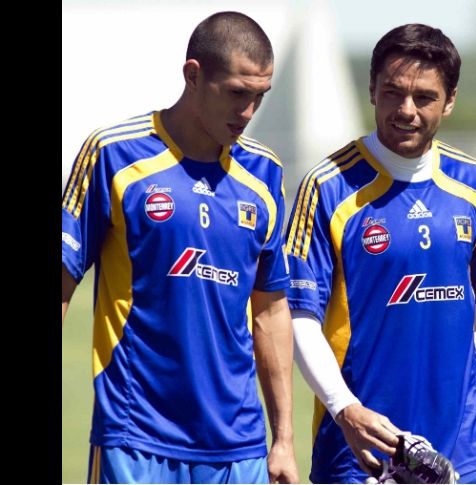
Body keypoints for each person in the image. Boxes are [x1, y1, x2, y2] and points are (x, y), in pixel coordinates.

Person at [61, 11, 299, 484]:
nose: (249, 112)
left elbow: (271, 312)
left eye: (259, 97)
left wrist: (284, 440)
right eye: (236, 93)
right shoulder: (114, 154)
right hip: (136, 437)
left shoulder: (265, 175)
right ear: (193, 75)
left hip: (240, 448)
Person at [285, 23, 476, 484]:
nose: (406, 110)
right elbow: (299, 319)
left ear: (449, 101)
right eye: (393, 93)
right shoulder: (327, 188)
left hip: (466, 449)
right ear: (372, 91)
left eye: (424, 97)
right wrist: (346, 410)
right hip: (361, 449)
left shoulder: (475, 185)